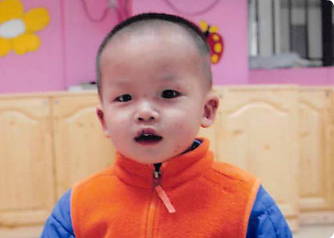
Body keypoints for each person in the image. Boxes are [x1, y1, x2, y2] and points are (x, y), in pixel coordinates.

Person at [40, 12, 293, 238]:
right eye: (125, 98)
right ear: (104, 120)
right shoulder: (77, 207)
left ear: (206, 110)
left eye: (169, 94)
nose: (145, 112)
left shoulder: (246, 201)